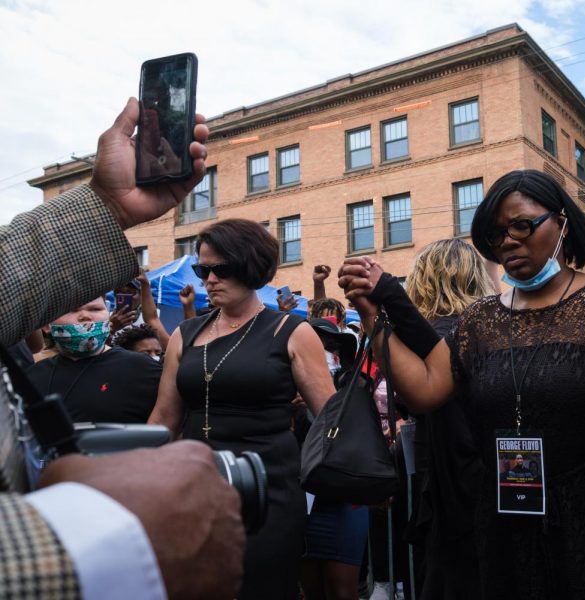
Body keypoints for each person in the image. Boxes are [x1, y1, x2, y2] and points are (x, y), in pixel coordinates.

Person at [339, 169, 585, 599]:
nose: (508, 242)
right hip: (506, 518)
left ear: (563, 223)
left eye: (522, 225)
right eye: (496, 234)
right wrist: (372, 318)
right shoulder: (480, 320)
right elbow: (425, 389)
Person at [0, 97, 244, 599]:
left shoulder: (140, 367)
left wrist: (106, 209)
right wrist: (92, 542)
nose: (214, 279)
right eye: (206, 270)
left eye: (92, 309)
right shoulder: (40, 373)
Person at [148, 218, 335, 600]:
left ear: (250, 266)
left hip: (268, 491)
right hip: (196, 488)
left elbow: (331, 418)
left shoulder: (292, 331)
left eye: (222, 268)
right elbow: (163, 420)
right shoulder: (186, 334)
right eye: (204, 269)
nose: (210, 279)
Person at [401, 238, 495, 599]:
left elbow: (418, 402)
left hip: (450, 485)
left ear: (426, 278)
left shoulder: (435, 337)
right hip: (485, 475)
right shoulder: (489, 329)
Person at [301, 317, 369, 600]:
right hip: (302, 501)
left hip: (343, 499)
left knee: (343, 592)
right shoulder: (282, 391)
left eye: (330, 346)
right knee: (312, 591)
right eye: (316, 345)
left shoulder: (354, 387)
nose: (325, 352)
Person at [26, 297, 161, 423]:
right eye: (71, 310)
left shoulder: (143, 369)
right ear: (46, 325)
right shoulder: (32, 379)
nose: (85, 316)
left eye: (95, 309)